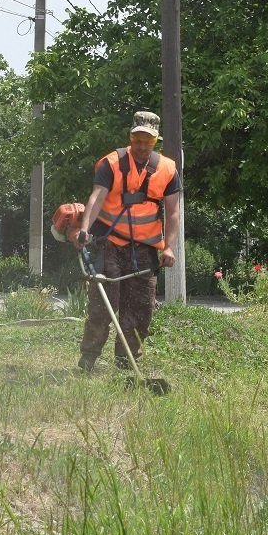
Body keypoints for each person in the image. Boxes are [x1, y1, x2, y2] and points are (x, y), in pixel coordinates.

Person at [73, 111, 181, 372]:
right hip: (108, 244)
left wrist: (169, 247)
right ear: (131, 136)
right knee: (102, 307)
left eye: (148, 140)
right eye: (137, 139)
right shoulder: (111, 164)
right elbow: (97, 197)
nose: (142, 145)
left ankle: (126, 365)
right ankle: (87, 362)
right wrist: (85, 229)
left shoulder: (167, 169)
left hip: (144, 251)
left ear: (155, 141)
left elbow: (174, 211)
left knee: (141, 311)